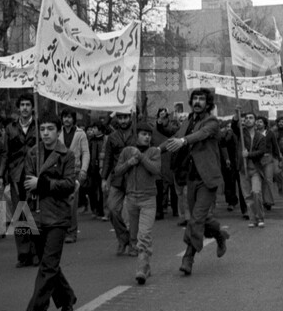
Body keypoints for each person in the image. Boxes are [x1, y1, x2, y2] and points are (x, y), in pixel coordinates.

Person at [165, 88, 230, 273]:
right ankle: (219, 235)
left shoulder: (211, 121)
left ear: (207, 103)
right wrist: (155, 150)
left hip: (207, 178)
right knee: (200, 218)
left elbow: (200, 135)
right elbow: (174, 140)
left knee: (196, 219)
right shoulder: (187, 121)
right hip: (190, 177)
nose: (198, 102)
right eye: (195, 98)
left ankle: (188, 258)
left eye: (202, 99)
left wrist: (184, 141)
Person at [23, 116, 76, 311]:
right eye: (42, 129)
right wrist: (34, 184)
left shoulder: (67, 155)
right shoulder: (32, 153)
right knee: (48, 263)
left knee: (48, 265)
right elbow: (27, 183)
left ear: (58, 131)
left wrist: (42, 183)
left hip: (57, 216)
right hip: (34, 214)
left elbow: (69, 185)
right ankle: (67, 298)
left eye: (50, 129)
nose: (46, 133)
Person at [112, 121, 161, 284]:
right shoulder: (127, 151)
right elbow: (117, 171)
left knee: (144, 235)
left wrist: (141, 158)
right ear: (136, 136)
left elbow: (156, 170)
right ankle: (146, 264)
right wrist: (129, 163)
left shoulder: (154, 151)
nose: (147, 137)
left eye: (149, 135)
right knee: (134, 237)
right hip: (131, 199)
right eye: (143, 134)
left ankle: (141, 269)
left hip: (148, 200)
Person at [3, 94, 39, 267]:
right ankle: (23, 254)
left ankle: (35, 252)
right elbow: (5, 153)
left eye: (28, 105)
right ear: (18, 107)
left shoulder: (38, 127)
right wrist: (0, 176)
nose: (25, 108)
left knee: (33, 213)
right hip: (16, 174)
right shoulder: (10, 128)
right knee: (20, 214)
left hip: (34, 174)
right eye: (22, 105)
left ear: (32, 107)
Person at [101, 111, 135, 255]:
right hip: (117, 178)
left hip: (135, 178)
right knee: (112, 209)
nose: (123, 121)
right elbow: (108, 158)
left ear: (131, 117)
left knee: (133, 212)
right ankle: (123, 238)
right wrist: (104, 179)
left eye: (125, 117)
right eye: (120, 118)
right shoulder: (112, 137)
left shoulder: (138, 133)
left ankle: (134, 244)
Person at [59, 109, 89, 244]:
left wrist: (83, 170)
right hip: (58, 172)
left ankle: (71, 232)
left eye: (69, 117)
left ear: (73, 119)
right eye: (65, 117)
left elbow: (86, 153)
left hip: (74, 171)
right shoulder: (57, 132)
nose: (67, 120)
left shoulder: (80, 133)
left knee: (72, 202)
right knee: (60, 202)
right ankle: (61, 231)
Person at [239, 111, 267, 227]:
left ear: (255, 121)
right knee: (248, 196)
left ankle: (260, 217)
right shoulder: (240, 134)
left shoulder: (260, 137)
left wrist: (248, 155)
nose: (248, 120)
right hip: (243, 170)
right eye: (246, 118)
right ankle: (252, 219)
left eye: (251, 118)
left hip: (255, 169)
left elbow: (261, 151)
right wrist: (237, 114)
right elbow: (234, 124)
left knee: (256, 192)